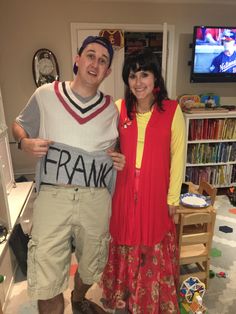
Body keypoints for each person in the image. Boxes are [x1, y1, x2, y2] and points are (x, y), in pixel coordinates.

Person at [12, 36, 125, 314]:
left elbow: (115, 148)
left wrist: (118, 157)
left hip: (95, 199)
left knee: (91, 264)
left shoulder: (112, 109)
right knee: (47, 279)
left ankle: (79, 297)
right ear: (77, 59)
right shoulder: (46, 94)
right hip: (54, 196)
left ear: (108, 71)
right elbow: (19, 125)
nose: (95, 63)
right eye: (90, 55)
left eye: (103, 60)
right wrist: (24, 142)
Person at [100, 49, 185, 313]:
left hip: (156, 192)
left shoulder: (172, 111)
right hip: (124, 190)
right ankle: (125, 296)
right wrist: (113, 155)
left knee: (152, 238)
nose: (138, 82)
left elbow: (178, 155)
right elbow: (103, 145)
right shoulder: (119, 109)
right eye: (132, 75)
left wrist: (173, 197)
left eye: (144, 74)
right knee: (125, 236)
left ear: (155, 78)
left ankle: (149, 300)